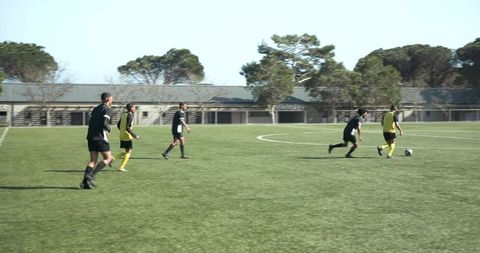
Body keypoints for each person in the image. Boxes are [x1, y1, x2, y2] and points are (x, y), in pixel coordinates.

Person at [80, 92, 114, 189]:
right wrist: (109, 128)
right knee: (108, 158)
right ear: (107, 98)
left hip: (90, 136)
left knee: (93, 160)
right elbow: (104, 123)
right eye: (111, 98)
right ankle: (91, 175)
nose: (112, 100)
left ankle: (84, 183)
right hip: (100, 137)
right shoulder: (108, 109)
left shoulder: (96, 109)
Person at [113, 103, 140, 172]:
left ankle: (112, 159)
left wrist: (122, 131)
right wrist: (135, 136)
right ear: (131, 108)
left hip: (122, 135)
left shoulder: (124, 114)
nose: (135, 109)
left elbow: (118, 125)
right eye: (134, 107)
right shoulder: (130, 116)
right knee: (128, 152)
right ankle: (121, 167)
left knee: (127, 152)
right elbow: (127, 128)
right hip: (127, 136)